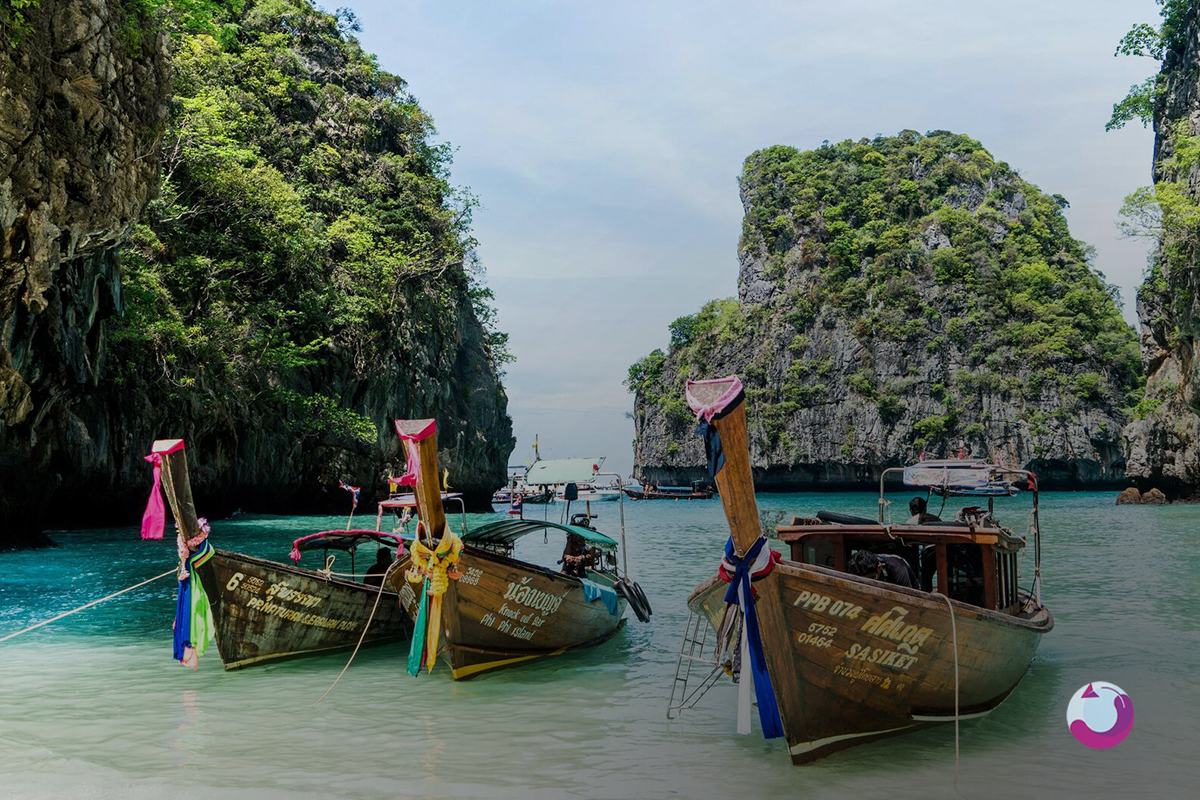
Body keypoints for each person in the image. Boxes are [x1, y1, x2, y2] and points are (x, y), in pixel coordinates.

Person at [847, 550, 919, 589]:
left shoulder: (899, 569)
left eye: (872, 578)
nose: (868, 584)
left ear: (879, 567)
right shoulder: (859, 566)